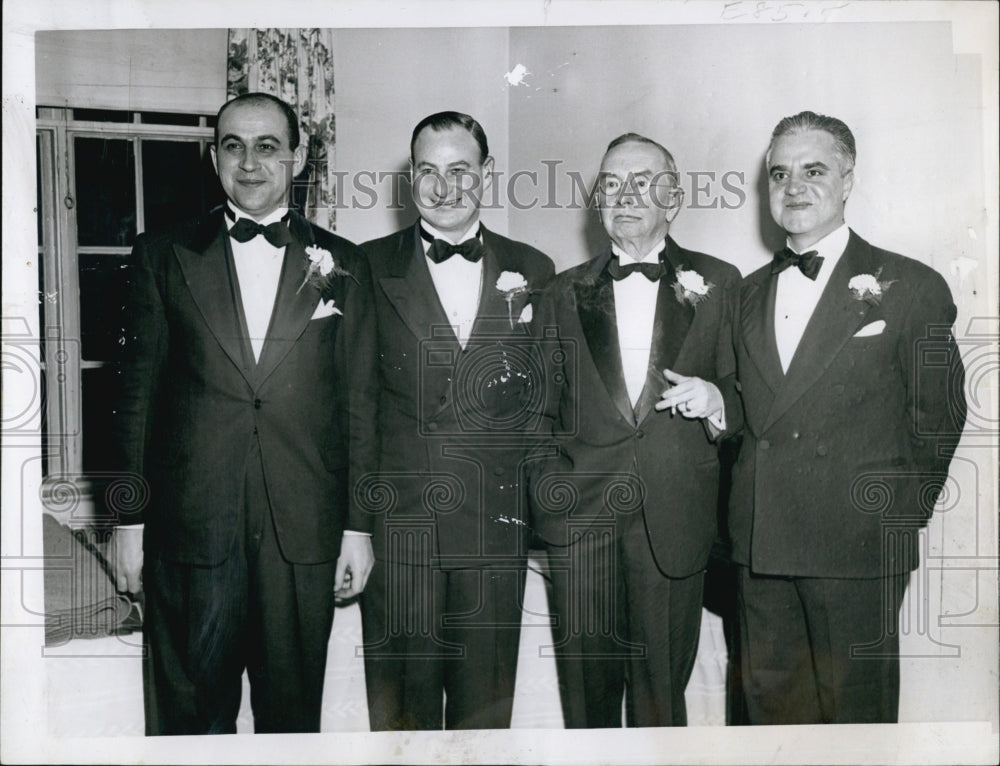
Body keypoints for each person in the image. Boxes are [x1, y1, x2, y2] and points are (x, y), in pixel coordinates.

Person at [109, 92, 377, 735]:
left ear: (299, 156)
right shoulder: (161, 254)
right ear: (214, 156)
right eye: (233, 145)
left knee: (292, 723)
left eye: (267, 146)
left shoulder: (345, 263)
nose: (249, 163)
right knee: (187, 723)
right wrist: (129, 520)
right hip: (189, 532)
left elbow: (359, 406)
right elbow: (136, 399)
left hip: (302, 535)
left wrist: (358, 529)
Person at [729, 110, 967, 724]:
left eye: (814, 170)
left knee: (855, 726)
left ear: (847, 180)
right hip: (763, 550)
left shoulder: (911, 285)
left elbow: (939, 415)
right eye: (779, 174)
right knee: (771, 725)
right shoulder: (744, 293)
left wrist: (891, 518)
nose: (794, 187)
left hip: (856, 549)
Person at [528, 133, 743, 727]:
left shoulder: (722, 283)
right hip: (580, 527)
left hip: (674, 526)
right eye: (612, 184)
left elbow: (751, 397)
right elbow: (537, 414)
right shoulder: (562, 291)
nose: (625, 195)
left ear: (673, 199)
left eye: (642, 182)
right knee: (585, 705)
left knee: (659, 705)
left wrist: (720, 397)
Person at [359, 111, 554, 730]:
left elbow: (544, 409)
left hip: (495, 529)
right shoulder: (364, 266)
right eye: (427, 171)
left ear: (487, 175)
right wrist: (355, 528)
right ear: (409, 177)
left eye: (460, 171)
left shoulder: (535, 268)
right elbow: (353, 410)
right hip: (401, 530)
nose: (443, 188)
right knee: (402, 721)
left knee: (486, 716)